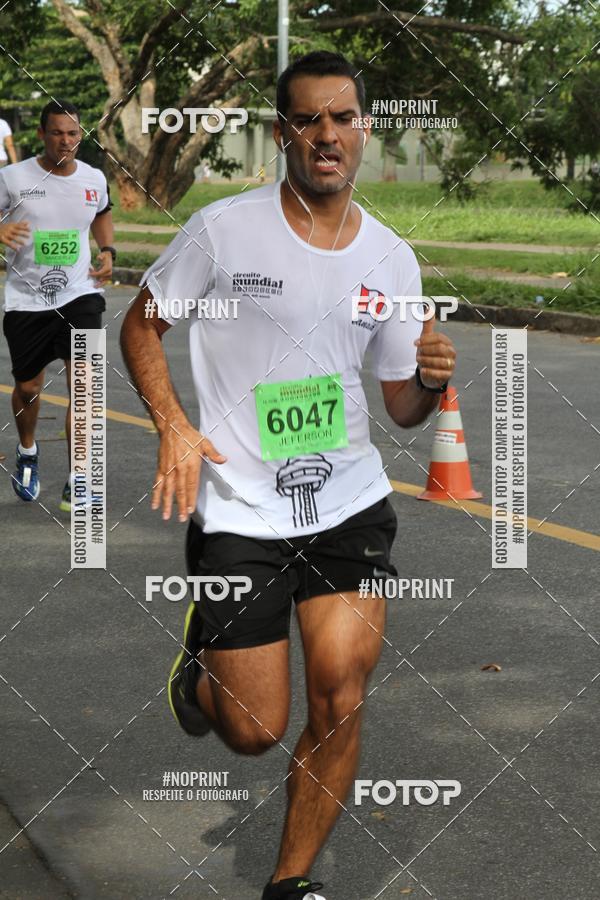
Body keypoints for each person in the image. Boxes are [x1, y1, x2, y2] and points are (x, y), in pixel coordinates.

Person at [120, 51, 457, 900]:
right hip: (241, 509)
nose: (327, 135)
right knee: (252, 729)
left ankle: (289, 883)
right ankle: (202, 666)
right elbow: (140, 327)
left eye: (343, 119)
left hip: (348, 501)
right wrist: (174, 425)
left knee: (340, 693)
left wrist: (425, 381)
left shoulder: (390, 257)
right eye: (309, 120)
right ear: (284, 135)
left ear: (365, 131)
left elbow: (401, 410)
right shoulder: (223, 231)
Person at [0, 99, 115, 510]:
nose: (65, 140)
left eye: (72, 133)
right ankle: (28, 450)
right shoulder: (12, 178)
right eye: (57, 133)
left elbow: (102, 214)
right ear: (41, 135)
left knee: (84, 388)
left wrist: (108, 250)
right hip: (26, 298)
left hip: (81, 295)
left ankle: (79, 477)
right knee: (29, 387)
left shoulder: (95, 177)